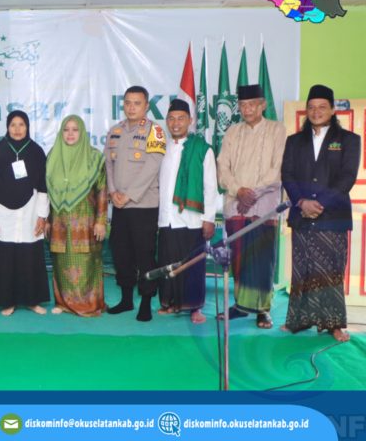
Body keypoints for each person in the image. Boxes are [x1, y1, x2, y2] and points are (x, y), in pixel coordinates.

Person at [281, 84, 360, 342]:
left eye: (322, 107)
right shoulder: (294, 141)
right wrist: (301, 202)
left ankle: (333, 324)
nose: (316, 112)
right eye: (312, 107)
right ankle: (298, 320)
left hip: (332, 216)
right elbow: (287, 175)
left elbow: (347, 178)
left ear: (333, 110)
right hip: (301, 215)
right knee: (302, 269)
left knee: (331, 271)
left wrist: (319, 203)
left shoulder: (349, 140)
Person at [216, 84, 286, 329]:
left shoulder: (277, 130)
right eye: (243, 105)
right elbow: (223, 166)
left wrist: (253, 193)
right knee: (239, 257)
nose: (247, 109)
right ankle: (240, 305)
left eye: (252, 104)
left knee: (263, 257)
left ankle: (263, 309)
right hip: (236, 204)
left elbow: (278, 168)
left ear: (263, 105)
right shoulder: (232, 132)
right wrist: (239, 191)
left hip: (264, 205)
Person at [105, 85, 166, 322]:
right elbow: (108, 165)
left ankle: (147, 302)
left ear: (147, 106)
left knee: (145, 255)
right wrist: (112, 192)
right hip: (119, 205)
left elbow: (153, 166)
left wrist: (129, 195)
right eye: (128, 103)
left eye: (137, 103)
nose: (131, 107)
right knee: (121, 253)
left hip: (143, 205)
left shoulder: (156, 131)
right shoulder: (115, 131)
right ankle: (126, 300)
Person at [156, 99, 218, 324]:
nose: (176, 123)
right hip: (167, 218)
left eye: (181, 118)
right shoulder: (162, 149)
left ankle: (195, 307)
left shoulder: (202, 149)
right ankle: (170, 302)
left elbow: (210, 186)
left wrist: (209, 219)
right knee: (168, 263)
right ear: (166, 121)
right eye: (171, 119)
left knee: (192, 265)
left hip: (192, 219)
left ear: (190, 121)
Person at [0, 111, 50, 316]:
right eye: (13, 124)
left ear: (27, 127)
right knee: (7, 257)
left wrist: (42, 216)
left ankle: (32, 301)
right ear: (7, 127)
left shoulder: (36, 151)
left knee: (29, 256)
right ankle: (8, 301)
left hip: (30, 211)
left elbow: (43, 187)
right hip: (4, 213)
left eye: (21, 124)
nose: (17, 129)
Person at [46, 115, 107, 317]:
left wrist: (101, 221)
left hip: (86, 220)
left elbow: (102, 191)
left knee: (87, 262)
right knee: (61, 263)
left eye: (75, 129)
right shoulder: (53, 156)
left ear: (82, 132)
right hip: (59, 222)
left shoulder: (94, 157)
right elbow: (46, 193)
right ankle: (63, 302)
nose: (70, 134)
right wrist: (47, 220)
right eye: (66, 130)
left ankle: (89, 304)